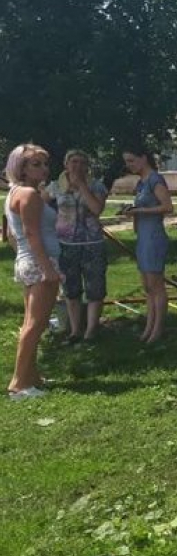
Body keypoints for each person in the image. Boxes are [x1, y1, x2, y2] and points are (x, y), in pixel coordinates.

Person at [4, 144, 61, 400]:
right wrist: (47, 269)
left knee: (33, 323)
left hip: (30, 260)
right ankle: (18, 384)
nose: (43, 169)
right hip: (39, 263)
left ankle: (31, 375)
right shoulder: (27, 194)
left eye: (44, 163)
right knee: (35, 324)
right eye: (35, 164)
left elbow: (14, 236)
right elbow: (30, 233)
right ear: (21, 168)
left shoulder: (19, 191)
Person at [45, 150, 108, 341]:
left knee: (94, 288)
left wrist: (82, 185)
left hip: (92, 243)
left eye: (82, 162)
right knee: (71, 289)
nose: (77, 166)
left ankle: (90, 331)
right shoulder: (56, 186)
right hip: (66, 244)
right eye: (73, 161)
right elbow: (38, 207)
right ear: (66, 165)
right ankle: (74, 331)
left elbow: (97, 209)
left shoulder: (96, 186)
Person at [121, 144, 173, 343]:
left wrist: (139, 212)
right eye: (126, 162)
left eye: (132, 160)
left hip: (154, 237)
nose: (129, 165)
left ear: (144, 158)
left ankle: (158, 329)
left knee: (156, 285)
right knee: (147, 286)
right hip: (142, 236)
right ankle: (148, 327)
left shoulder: (155, 180)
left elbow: (168, 207)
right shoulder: (141, 183)